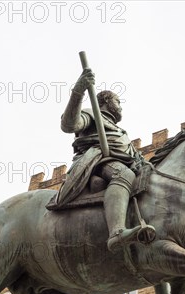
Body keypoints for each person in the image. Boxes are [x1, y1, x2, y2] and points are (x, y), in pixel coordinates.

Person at [56, 68, 155, 252]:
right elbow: (68, 125)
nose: (121, 106)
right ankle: (116, 233)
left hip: (118, 162)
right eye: (118, 101)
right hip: (96, 163)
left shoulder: (120, 132)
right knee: (124, 175)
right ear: (107, 101)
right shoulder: (92, 114)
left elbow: (136, 159)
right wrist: (78, 91)